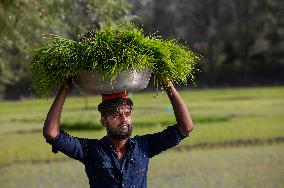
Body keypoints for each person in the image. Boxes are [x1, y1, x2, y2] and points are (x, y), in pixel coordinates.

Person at [43, 80, 194, 188]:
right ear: (103, 120)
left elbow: (185, 128)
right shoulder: (90, 150)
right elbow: (52, 133)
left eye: (127, 114)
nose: (124, 120)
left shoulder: (144, 147)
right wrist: (65, 87)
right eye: (115, 115)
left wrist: (167, 84)